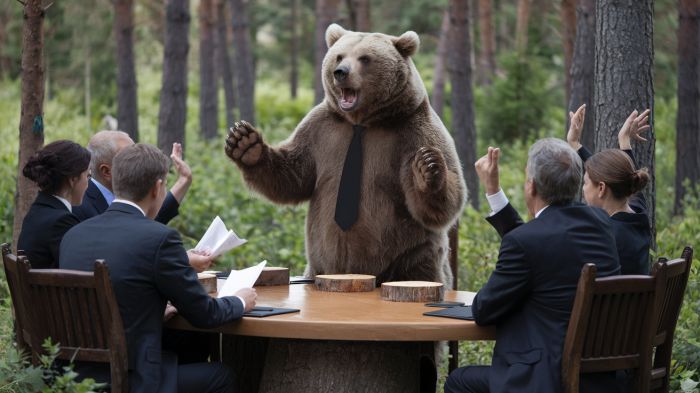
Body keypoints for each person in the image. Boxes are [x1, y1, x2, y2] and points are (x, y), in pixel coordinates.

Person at [60, 143, 257, 393]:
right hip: (127, 376)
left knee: (188, 345)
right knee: (220, 375)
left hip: (76, 373)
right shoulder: (160, 238)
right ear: (157, 188)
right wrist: (239, 301)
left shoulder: (74, 235)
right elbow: (204, 314)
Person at [444, 138, 620, 393]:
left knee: (458, 382)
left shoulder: (526, 242)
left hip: (544, 378)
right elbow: (541, 244)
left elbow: (484, 310)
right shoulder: (601, 224)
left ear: (532, 187)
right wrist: (494, 191)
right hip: (599, 378)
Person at [72, 130, 214, 272]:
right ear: (106, 171)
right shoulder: (80, 205)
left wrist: (183, 180)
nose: (137, 161)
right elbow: (127, 251)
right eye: (128, 157)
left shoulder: (119, 198)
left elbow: (147, 221)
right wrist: (181, 260)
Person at [567, 105, 652, 274]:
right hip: (637, 299)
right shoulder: (639, 215)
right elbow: (622, 175)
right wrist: (624, 140)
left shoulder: (603, 235)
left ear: (601, 188)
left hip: (608, 300)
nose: (583, 190)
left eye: (585, 183)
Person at [17, 140, 91, 269]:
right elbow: (80, 269)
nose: (88, 184)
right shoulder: (61, 221)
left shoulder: (37, 210)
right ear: (73, 179)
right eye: (87, 176)